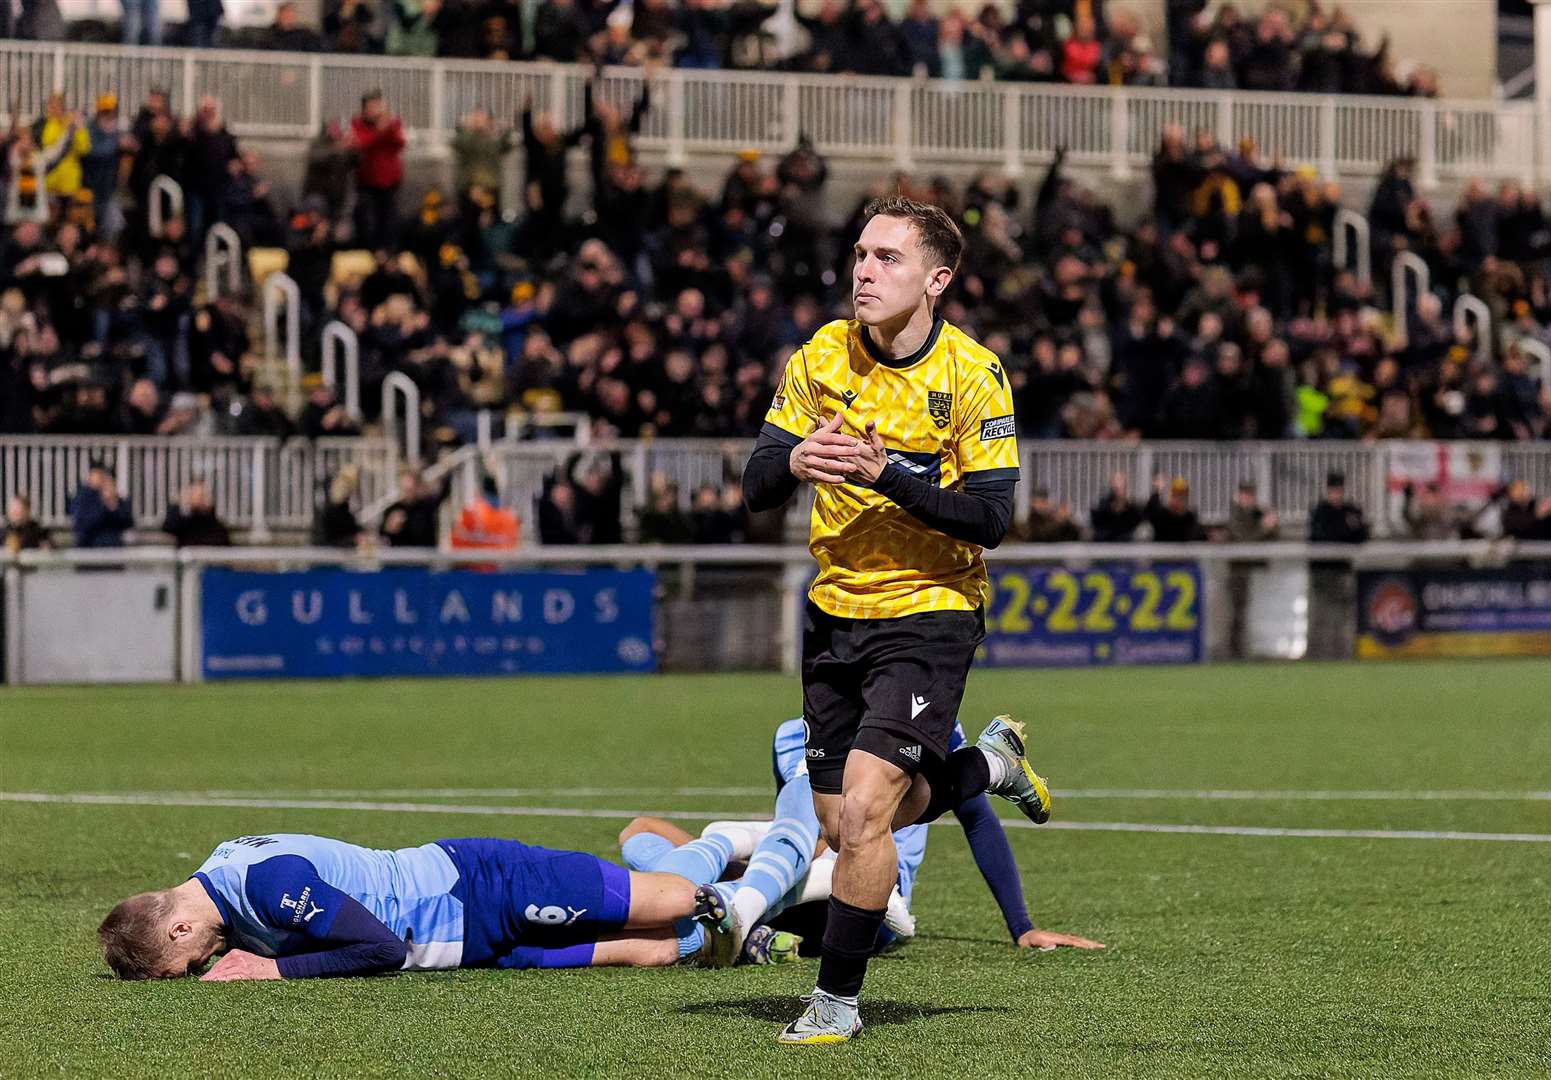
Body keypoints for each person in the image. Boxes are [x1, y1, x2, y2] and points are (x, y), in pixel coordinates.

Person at [741, 195, 1051, 1045]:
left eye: (887, 258)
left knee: (872, 807)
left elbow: (990, 519)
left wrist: (889, 479)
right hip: (834, 608)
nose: (864, 271)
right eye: (860, 255)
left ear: (936, 279)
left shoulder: (973, 374)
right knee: (845, 826)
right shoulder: (821, 355)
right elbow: (756, 479)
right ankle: (987, 766)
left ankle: (836, 1002)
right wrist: (794, 458)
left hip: (931, 612)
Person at [651, 715, 1103, 969]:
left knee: (814, 834)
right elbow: (801, 834)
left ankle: (727, 907)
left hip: (873, 900)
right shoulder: (793, 733)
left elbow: (977, 819)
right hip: (807, 880)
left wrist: (1021, 925)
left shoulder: (925, 720)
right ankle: (729, 913)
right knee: (639, 833)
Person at [97, 829, 802, 981]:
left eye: (182, 963)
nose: (200, 967)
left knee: (669, 898)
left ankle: (746, 848)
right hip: (478, 940)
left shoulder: (266, 883)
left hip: (487, 885)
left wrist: (270, 973)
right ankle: (757, 928)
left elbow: (381, 950)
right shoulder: (215, 874)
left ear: (179, 924)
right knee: (650, 948)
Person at [351, 91, 405, 250]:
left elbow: (399, 143)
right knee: (366, 217)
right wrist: (380, 131)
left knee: (389, 218)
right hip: (367, 179)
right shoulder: (358, 124)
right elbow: (362, 143)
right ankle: (368, 249)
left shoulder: (393, 124)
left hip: (390, 180)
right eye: (371, 106)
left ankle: (388, 250)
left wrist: (387, 129)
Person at [70, 462, 133, 549]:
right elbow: (84, 524)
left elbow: (128, 521)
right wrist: (103, 505)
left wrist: (112, 504)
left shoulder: (113, 497)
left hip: (112, 550)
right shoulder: (82, 497)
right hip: (89, 548)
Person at [379, 470, 446, 548]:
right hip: (400, 557)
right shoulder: (392, 509)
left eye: (410, 490)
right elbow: (383, 535)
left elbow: (443, 490)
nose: (407, 493)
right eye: (404, 489)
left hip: (424, 556)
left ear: (416, 488)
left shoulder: (426, 507)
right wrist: (389, 528)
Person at [161, 477, 231, 547]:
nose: (198, 497)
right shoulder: (183, 519)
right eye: (194, 492)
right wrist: (179, 504)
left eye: (202, 494)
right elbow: (168, 527)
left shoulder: (213, 521)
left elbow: (221, 539)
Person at [1308, 470, 1369, 543]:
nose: (1336, 496)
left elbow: (1362, 535)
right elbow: (1319, 536)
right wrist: (1346, 530)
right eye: (1333, 492)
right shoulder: (1320, 511)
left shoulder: (1350, 511)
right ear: (1328, 492)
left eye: (1339, 492)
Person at [1144, 475, 1205, 542]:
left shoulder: (1190, 518)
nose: (1178, 500)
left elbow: (1198, 537)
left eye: (1182, 497)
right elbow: (1149, 511)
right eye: (1175, 496)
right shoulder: (1162, 516)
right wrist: (1157, 490)